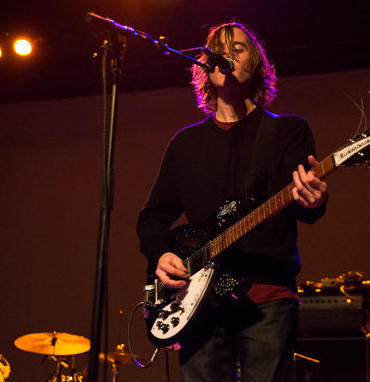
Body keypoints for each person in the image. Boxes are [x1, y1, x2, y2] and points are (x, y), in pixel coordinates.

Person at [137, 22, 328, 382]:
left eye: (237, 49)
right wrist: (161, 255)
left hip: (267, 296)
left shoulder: (286, 131)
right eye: (217, 51)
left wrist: (314, 200)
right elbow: (152, 218)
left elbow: (306, 207)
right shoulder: (185, 145)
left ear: (255, 62)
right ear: (204, 67)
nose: (226, 56)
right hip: (198, 302)